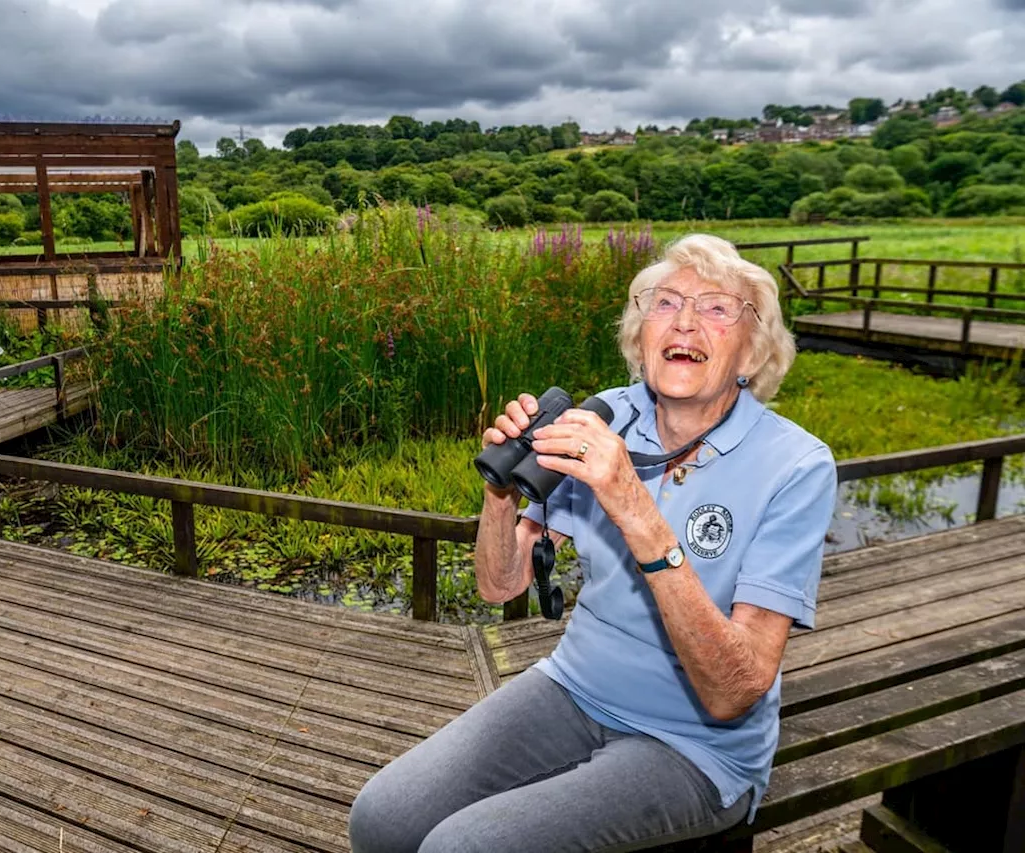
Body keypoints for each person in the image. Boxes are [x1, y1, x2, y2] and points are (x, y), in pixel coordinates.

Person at [348, 234, 837, 852]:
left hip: (695, 746)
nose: (685, 320)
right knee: (381, 819)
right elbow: (501, 586)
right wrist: (500, 488)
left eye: (717, 308)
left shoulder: (795, 465)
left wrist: (634, 504)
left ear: (752, 353)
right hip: (574, 688)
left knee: (465, 847)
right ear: (641, 338)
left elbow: (734, 690)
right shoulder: (608, 417)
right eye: (665, 303)